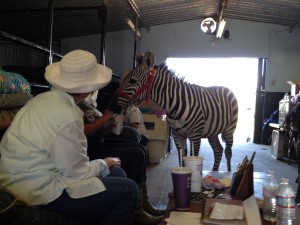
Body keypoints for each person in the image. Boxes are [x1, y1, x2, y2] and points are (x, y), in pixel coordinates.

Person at [0, 50, 139, 225]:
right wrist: (106, 162)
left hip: (16, 179)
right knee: (130, 190)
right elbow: (76, 172)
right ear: (88, 89)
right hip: (38, 190)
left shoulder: (38, 101)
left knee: (117, 173)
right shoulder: (68, 115)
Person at [80, 95, 165, 225]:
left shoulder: (88, 104)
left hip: (100, 142)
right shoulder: (75, 107)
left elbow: (98, 131)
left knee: (141, 150)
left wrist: (109, 125)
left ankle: (143, 202)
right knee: (136, 154)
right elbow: (82, 132)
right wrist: (105, 118)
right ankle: (138, 211)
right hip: (90, 150)